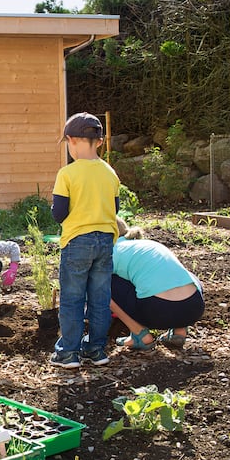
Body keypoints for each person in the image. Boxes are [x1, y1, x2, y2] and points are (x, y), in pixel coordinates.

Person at [50, 112, 120, 369]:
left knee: (72, 298)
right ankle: (97, 349)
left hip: (77, 241)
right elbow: (115, 209)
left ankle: (68, 352)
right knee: (100, 298)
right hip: (105, 242)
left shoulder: (67, 174)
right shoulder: (110, 173)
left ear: (71, 140)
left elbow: (59, 213)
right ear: (99, 142)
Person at [111, 217, 205, 350]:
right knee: (188, 277)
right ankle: (179, 331)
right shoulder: (148, 244)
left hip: (158, 312)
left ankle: (140, 335)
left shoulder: (114, 251)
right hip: (194, 308)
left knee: (101, 283)